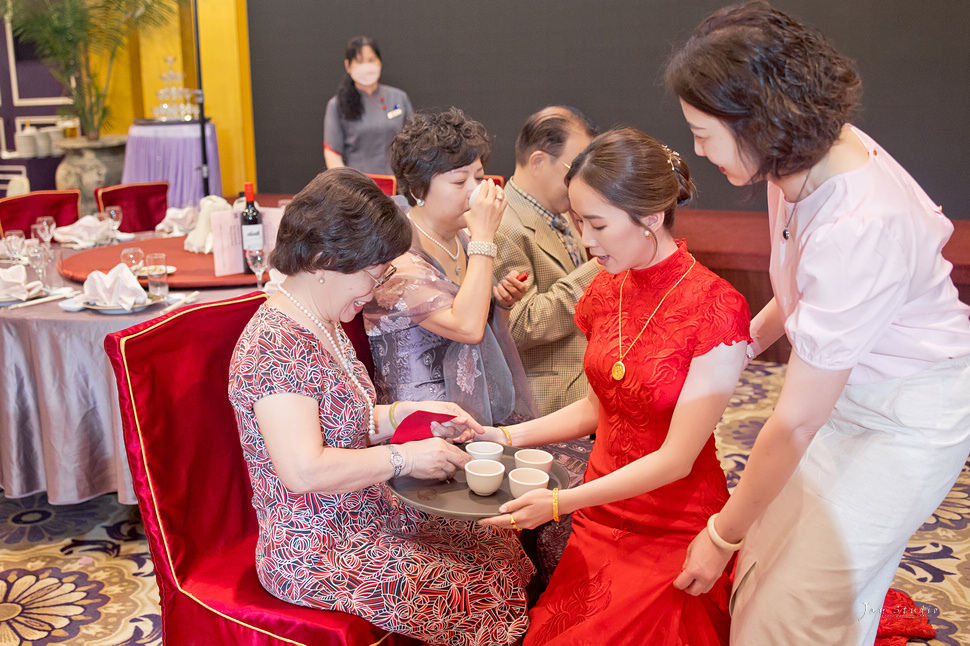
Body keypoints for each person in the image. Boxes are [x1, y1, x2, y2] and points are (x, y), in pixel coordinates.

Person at [666, 3, 970, 644]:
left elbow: (796, 419)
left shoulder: (859, 221)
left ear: (760, 119)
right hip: (846, 391)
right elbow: (805, 291)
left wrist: (720, 534)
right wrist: (733, 349)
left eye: (703, 132)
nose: (696, 149)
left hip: (908, 418)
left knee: (796, 610)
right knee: (769, 574)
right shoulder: (792, 162)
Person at [228, 168, 534, 646]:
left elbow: (348, 416)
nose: (376, 290)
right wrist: (407, 457)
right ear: (323, 260)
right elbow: (303, 469)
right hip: (314, 546)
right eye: (373, 274)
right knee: (468, 587)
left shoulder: (322, 319)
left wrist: (419, 412)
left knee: (496, 540)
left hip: (368, 509)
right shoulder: (275, 346)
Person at [480, 127, 751, 645]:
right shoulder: (607, 289)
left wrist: (562, 503)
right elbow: (594, 407)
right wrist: (504, 438)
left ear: (651, 217)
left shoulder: (715, 308)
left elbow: (676, 458)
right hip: (599, 516)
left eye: (599, 224)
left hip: (673, 526)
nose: (586, 240)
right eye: (579, 222)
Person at [364, 108, 537, 425]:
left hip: (477, 412)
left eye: (479, 178)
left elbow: (483, 326)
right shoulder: (398, 261)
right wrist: (484, 236)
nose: (475, 192)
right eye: (460, 181)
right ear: (418, 190)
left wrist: (501, 304)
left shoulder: (463, 240)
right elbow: (467, 329)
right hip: (424, 427)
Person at [492, 106, 602, 415]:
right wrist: (598, 268)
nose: (583, 177)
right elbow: (519, 326)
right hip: (546, 398)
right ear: (539, 161)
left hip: (583, 382)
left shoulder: (562, 212)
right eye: (575, 166)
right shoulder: (504, 225)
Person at [323, 36, 412, 175]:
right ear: (348, 65)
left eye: (371, 60)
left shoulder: (399, 97)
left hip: (398, 184)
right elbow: (332, 153)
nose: (366, 66)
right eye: (359, 61)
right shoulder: (337, 105)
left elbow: (414, 143)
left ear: (379, 62)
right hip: (359, 188)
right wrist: (346, 186)